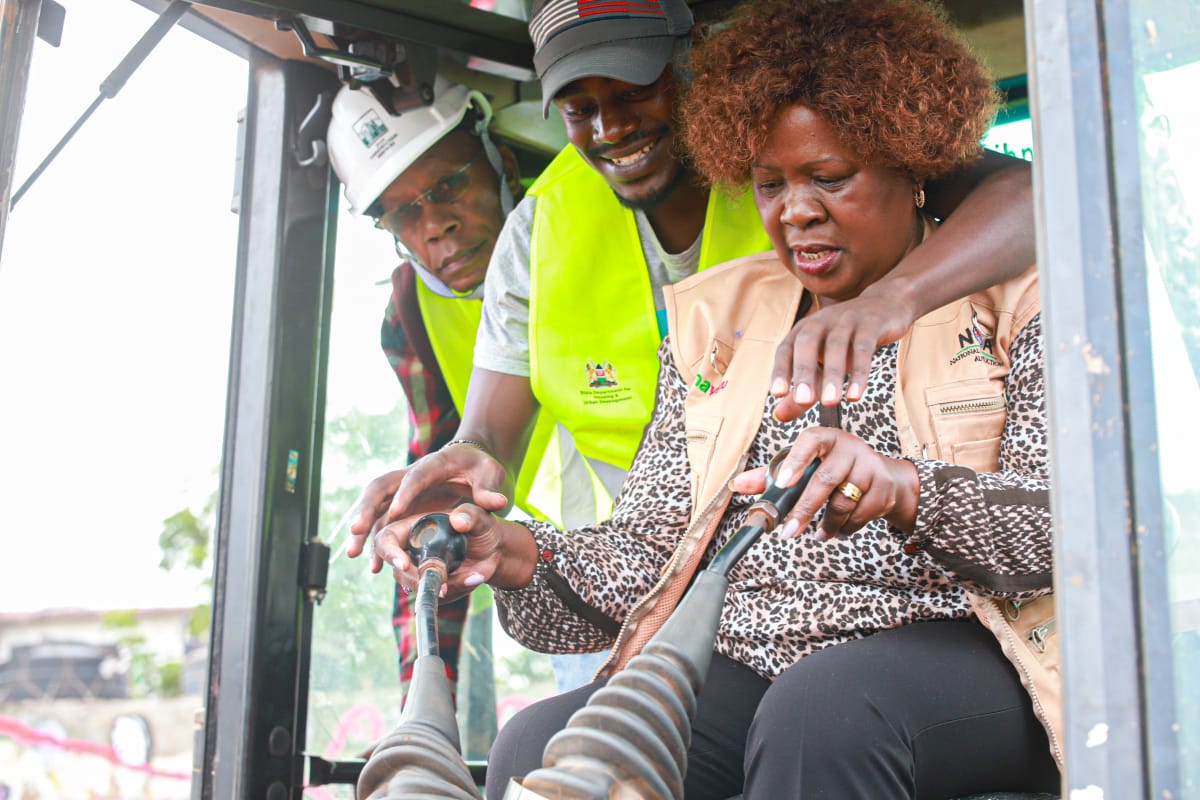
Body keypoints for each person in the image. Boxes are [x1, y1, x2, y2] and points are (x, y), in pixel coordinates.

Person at [373, 1, 1061, 797]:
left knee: (824, 713)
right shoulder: (717, 321)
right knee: (540, 742)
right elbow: (652, 557)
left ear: (916, 165)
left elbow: (1064, 531)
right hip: (763, 657)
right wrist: (517, 555)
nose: (794, 211)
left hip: (980, 647)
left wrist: (903, 492)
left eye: (829, 178)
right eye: (770, 185)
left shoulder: (1019, 296)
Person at [349, 0, 1037, 579]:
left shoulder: (797, 146)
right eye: (579, 106)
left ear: (692, 62)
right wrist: (467, 462)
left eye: (632, 89)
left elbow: (1036, 197)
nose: (610, 128)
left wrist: (891, 298)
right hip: (639, 560)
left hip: (829, 556)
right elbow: (490, 440)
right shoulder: (541, 228)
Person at [327, 76, 564, 699]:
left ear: (500, 160)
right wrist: (423, 705)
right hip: (571, 578)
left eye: (448, 185)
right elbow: (437, 505)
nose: (436, 227)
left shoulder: (581, 231)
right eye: (403, 213)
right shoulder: (411, 314)